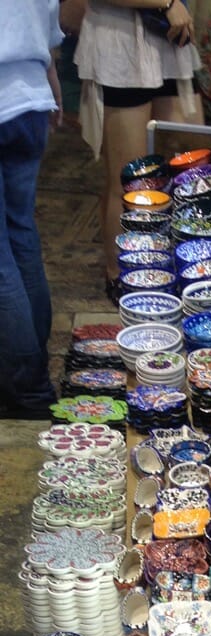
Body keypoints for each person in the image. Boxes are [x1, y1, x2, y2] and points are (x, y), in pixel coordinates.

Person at [75, 0, 203, 303]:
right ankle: (120, 275)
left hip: (170, 41)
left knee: (190, 173)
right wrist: (167, 3)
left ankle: (172, 266)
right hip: (119, 45)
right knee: (130, 180)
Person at [0, 0, 63, 419]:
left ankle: (29, 388)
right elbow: (52, 32)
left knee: (4, 260)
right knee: (21, 235)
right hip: (31, 101)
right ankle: (32, 358)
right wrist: (52, 86)